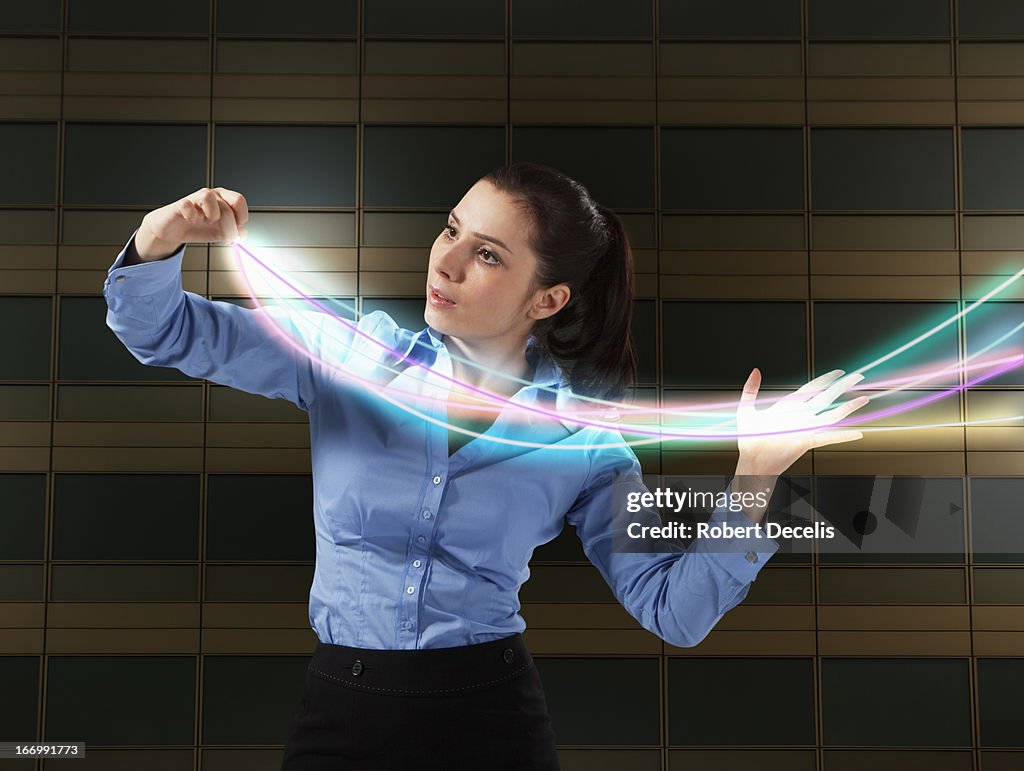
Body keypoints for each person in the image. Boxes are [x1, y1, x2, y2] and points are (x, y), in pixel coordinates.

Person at [103, 162, 867, 771]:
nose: (447, 260)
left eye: (488, 253)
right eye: (452, 229)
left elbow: (674, 610)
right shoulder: (349, 354)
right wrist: (159, 236)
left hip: (489, 718)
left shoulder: (582, 438)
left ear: (549, 297)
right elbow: (160, 328)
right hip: (342, 707)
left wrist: (757, 474)